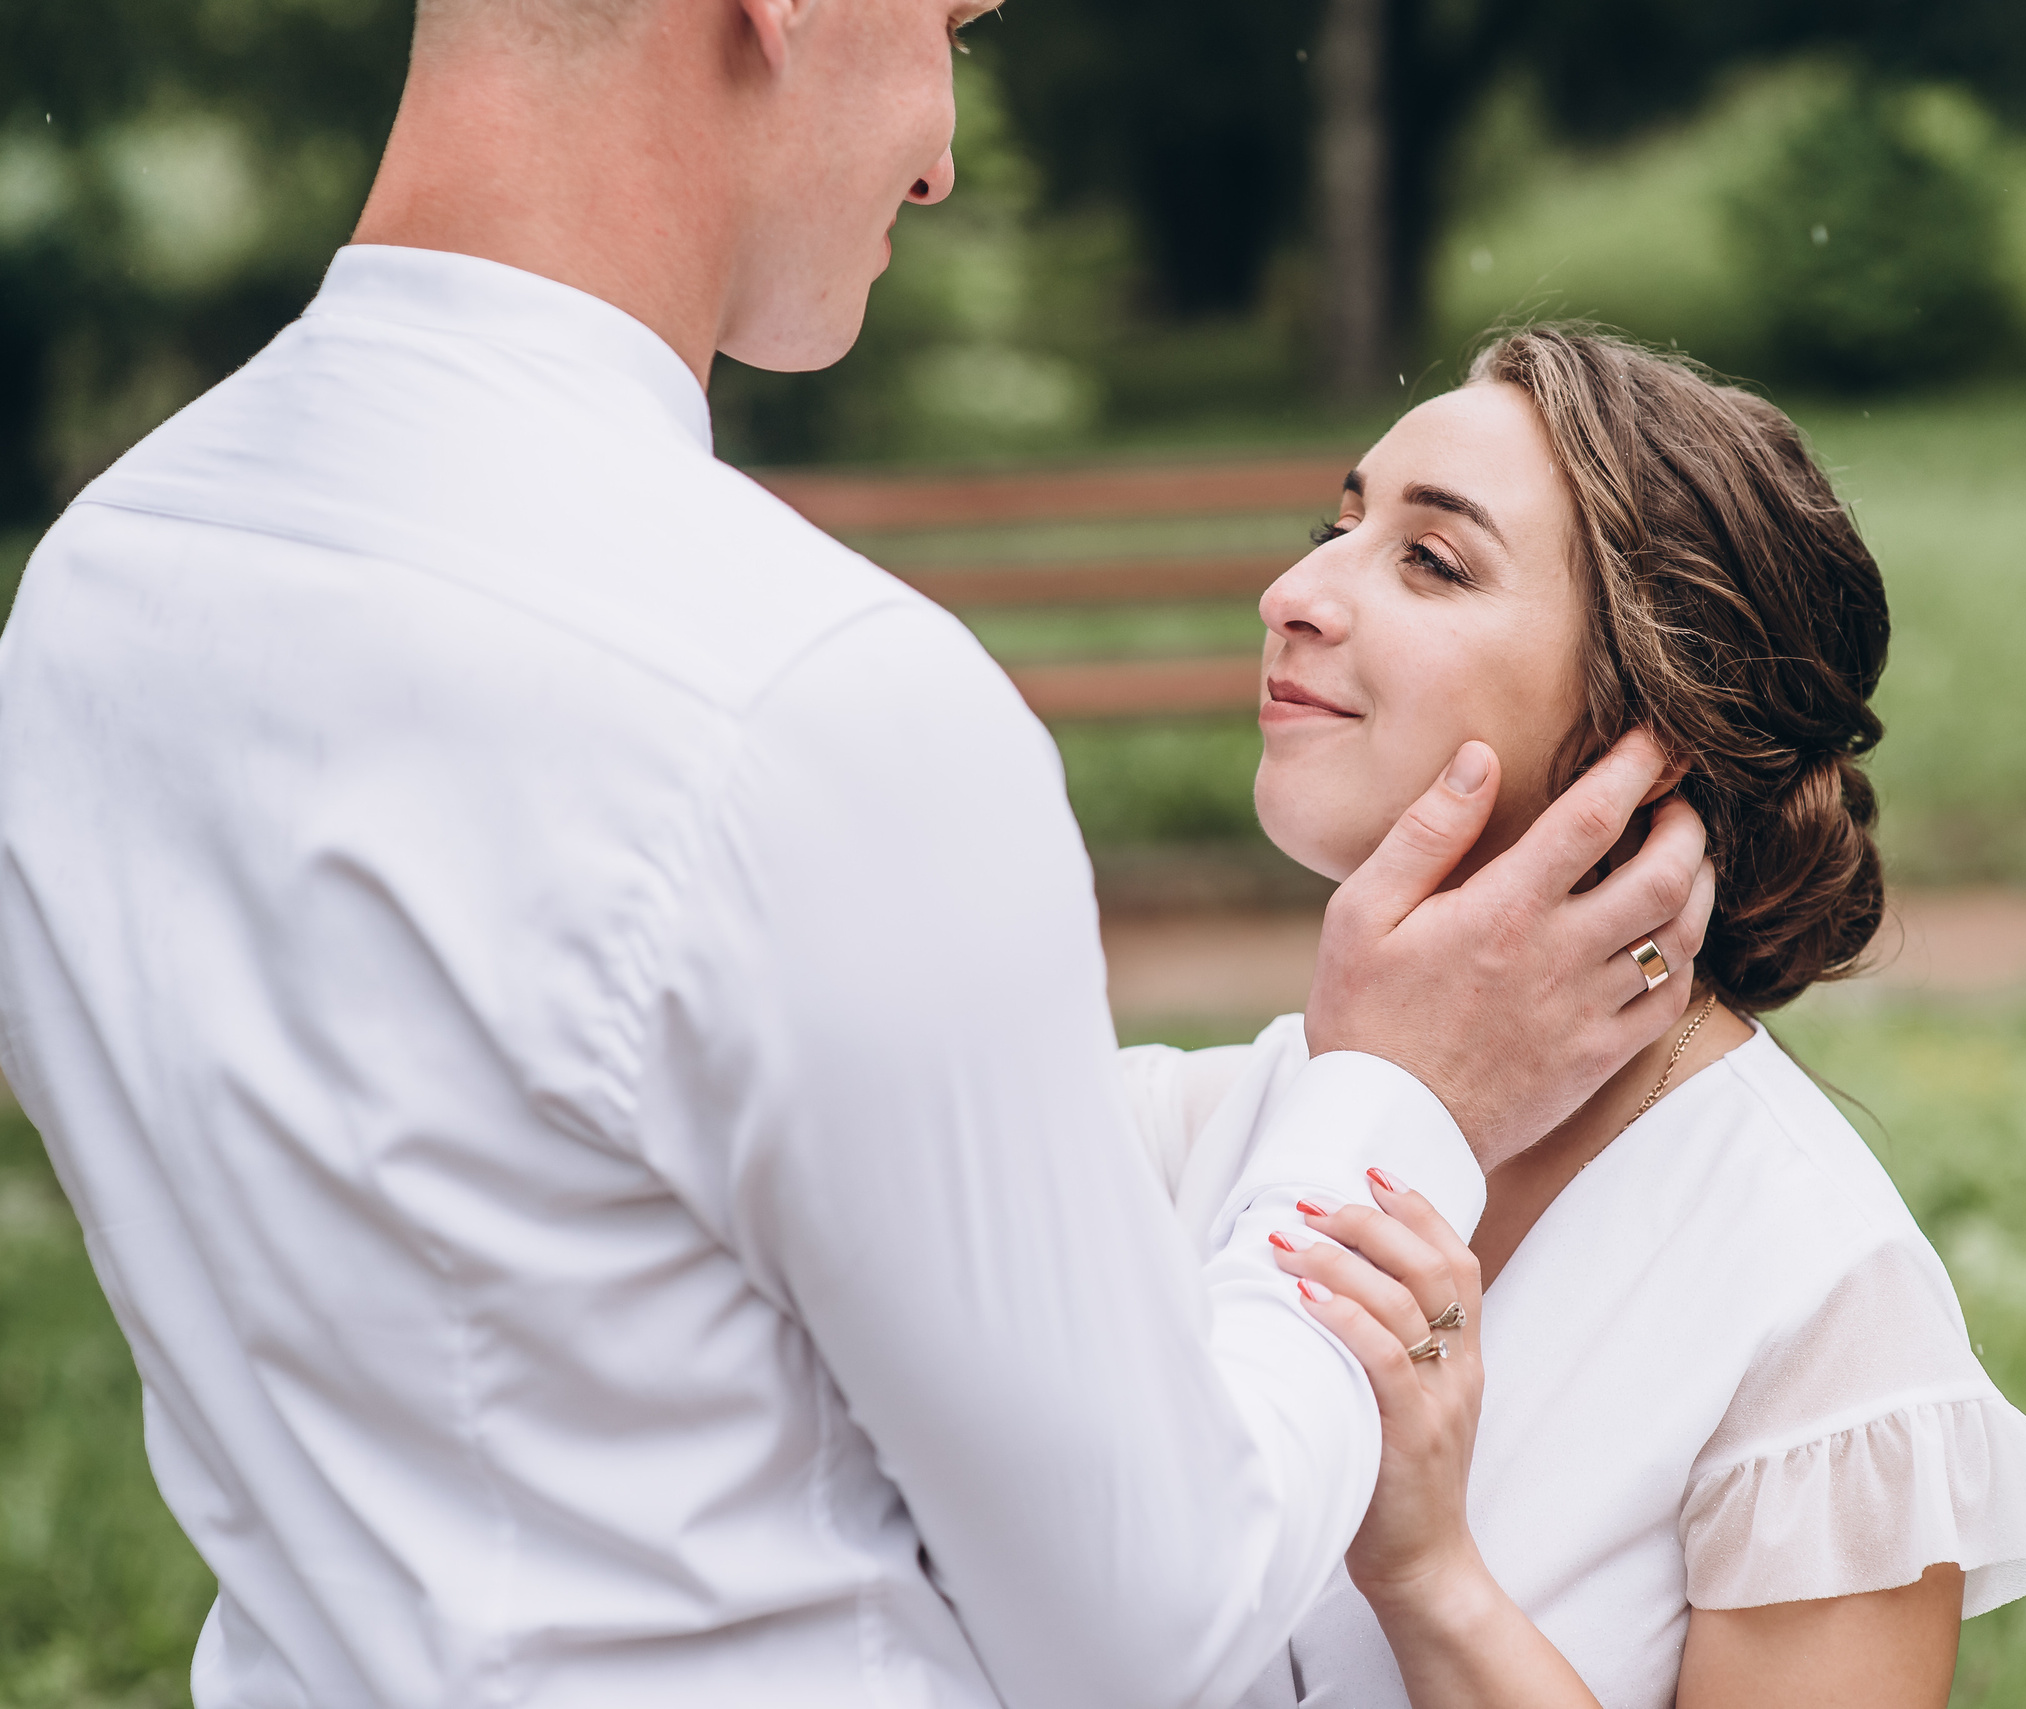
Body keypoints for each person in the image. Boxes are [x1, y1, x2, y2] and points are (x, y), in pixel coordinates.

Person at [0, 8, 1718, 1708]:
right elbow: (1156, 1622)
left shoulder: (98, 593)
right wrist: (1395, 1095)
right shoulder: (804, 700)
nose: (945, 147)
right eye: (949, 22)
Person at [1119, 327, 2026, 1709]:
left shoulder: (1816, 1298)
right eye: (1335, 527)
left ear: (1651, 713)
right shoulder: (1162, 1138)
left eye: (1432, 560)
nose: (1293, 593)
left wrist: (1433, 1579)